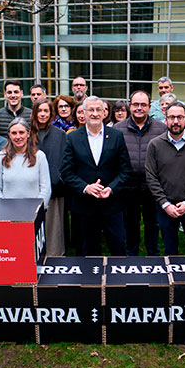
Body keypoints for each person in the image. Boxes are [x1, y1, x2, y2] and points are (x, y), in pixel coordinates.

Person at [61, 96, 133, 256]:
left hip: (112, 205)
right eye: (90, 110)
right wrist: (86, 187)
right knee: (87, 252)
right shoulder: (72, 137)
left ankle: (117, 281)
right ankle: (89, 281)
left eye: (98, 109)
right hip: (84, 207)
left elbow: (125, 170)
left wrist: (111, 188)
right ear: (84, 113)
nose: (94, 113)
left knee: (118, 249)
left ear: (104, 112)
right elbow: (66, 171)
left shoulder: (116, 136)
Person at [145, 102, 185, 257]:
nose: (175, 121)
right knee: (170, 251)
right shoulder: (155, 145)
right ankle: (173, 281)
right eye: (171, 117)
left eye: (179, 117)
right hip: (165, 207)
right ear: (165, 119)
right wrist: (165, 204)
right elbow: (151, 177)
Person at [114, 91, 167, 256]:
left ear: (149, 107)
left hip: (153, 188)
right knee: (131, 224)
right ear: (130, 106)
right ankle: (131, 256)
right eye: (136, 104)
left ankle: (153, 256)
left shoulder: (161, 129)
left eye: (143, 105)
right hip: (128, 187)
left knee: (153, 224)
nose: (139, 108)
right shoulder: (118, 129)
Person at [31, 98, 68, 256]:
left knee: (54, 225)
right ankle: (32, 255)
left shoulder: (60, 134)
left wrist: (58, 178)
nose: (43, 114)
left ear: (51, 113)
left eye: (46, 111)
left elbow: (66, 160)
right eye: (40, 111)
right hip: (31, 188)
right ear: (34, 113)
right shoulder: (27, 133)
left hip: (54, 187)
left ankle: (54, 256)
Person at [0, 118, 51, 209]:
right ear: (9, 136)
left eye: (21, 132)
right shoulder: (1, 157)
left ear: (28, 134)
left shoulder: (39, 156)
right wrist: (3, 209)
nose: (18, 137)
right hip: (7, 213)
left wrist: (37, 210)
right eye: (14, 133)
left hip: (33, 213)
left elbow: (45, 189)